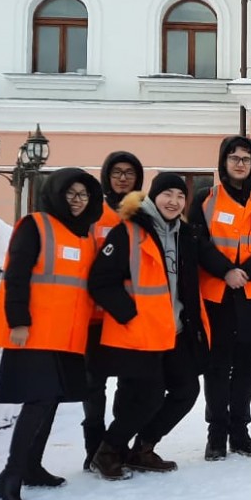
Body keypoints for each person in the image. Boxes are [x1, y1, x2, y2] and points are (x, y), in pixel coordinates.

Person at [86, 173, 220, 480]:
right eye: (167, 194)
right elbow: (101, 281)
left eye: (180, 196)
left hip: (176, 332)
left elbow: (199, 271)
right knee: (147, 397)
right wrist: (129, 313)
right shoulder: (128, 232)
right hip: (140, 333)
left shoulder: (185, 235)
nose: (173, 201)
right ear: (153, 197)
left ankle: (143, 448)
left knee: (186, 390)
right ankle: (107, 451)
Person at [0, 168, 103, 500]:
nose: (77, 201)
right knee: (37, 402)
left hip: (67, 336)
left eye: (83, 195)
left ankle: (32, 466)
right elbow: (17, 275)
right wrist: (18, 321)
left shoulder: (85, 236)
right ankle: (9, 475)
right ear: (55, 193)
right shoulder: (35, 226)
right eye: (71, 193)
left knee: (50, 401)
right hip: (34, 332)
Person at [190, 135, 251, 461]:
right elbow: (198, 241)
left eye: (246, 158)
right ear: (224, 162)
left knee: (246, 367)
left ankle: (240, 431)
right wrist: (225, 271)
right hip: (217, 297)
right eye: (234, 158)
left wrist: (245, 271)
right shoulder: (205, 198)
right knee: (217, 368)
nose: (240, 163)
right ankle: (216, 434)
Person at [82, 150, 144, 471]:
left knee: (128, 385)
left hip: (130, 316)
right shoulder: (93, 214)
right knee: (93, 387)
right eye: (116, 172)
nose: (122, 177)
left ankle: (114, 447)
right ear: (106, 176)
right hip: (94, 315)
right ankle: (92, 446)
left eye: (129, 173)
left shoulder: (143, 215)